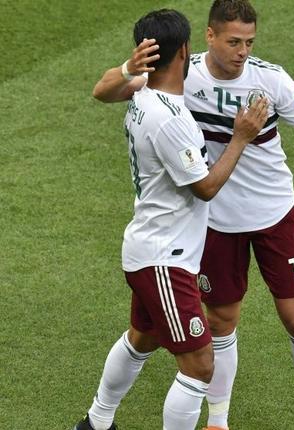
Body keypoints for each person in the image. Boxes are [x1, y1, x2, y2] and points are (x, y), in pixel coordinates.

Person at [93, 2, 294, 429]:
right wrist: (127, 67)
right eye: (233, 41)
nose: (242, 51)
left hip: (273, 214)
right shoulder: (183, 75)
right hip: (214, 222)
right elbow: (104, 91)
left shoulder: (270, 80)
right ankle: (218, 420)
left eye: (249, 42)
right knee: (221, 322)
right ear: (209, 37)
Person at [75, 8, 269, 430]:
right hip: (166, 258)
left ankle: (96, 422)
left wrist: (129, 67)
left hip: (149, 247)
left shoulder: (141, 91)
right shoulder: (170, 119)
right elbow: (205, 187)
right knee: (200, 366)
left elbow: (101, 90)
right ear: (184, 50)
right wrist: (241, 137)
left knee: (141, 339)